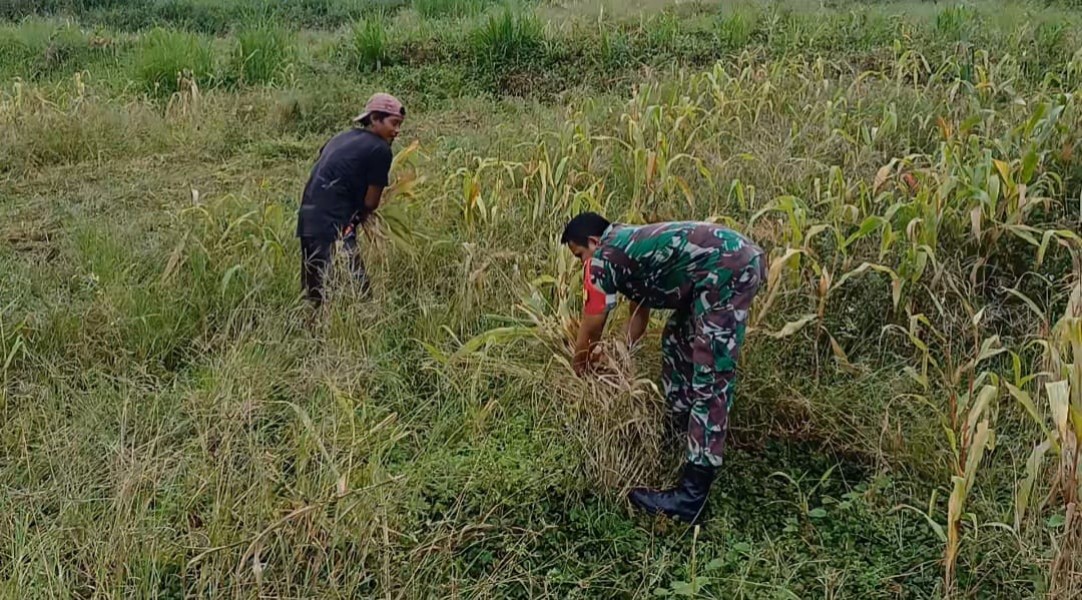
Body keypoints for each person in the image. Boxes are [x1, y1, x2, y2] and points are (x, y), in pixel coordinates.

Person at [562, 212, 767, 524]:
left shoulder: (603, 256)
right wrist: (619, 358)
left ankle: (691, 497)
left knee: (711, 375)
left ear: (592, 241)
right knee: (676, 338)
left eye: (580, 256)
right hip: (724, 264)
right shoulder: (629, 249)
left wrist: (579, 368)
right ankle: (679, 434)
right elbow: (638, 316)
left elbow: (592, 322)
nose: (582, 265)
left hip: (726, 267)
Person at [296, 92, 405, 306]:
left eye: (400, 125)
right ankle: (360, 321)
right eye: (394, 123)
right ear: (375, 119)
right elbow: (371, 202)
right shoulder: (380, 149)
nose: (397, 131)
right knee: (359, 292)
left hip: (308, 217)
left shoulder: (341, 138)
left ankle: (312, 324)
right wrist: (360, 217)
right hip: (333, 224)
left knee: (315, 294)